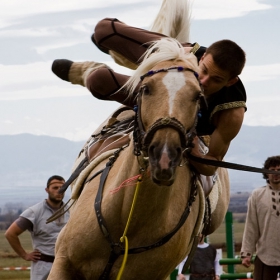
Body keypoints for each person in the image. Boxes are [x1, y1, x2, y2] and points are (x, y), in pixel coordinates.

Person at [52, 17, 246, 178]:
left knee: (98, 80)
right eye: (203, 70)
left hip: (154, 102)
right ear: (202, 58)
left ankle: (84, 71)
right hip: (165, 75)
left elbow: (211, 166)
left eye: (216, 80)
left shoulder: (231, 112)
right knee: (104, 30)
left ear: (230, 82)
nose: (203, 81)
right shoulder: (188, 55)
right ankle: (122, 55)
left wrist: (193, 151)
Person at [5, 175, 70, 280]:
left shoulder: (71, 210)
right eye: (55, 188)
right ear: (47, 190)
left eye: (62, 188)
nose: (59, 191)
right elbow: (10, 234)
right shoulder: (34, 212)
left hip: (66, 266)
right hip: (43, 266)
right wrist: (25, 255)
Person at [241, 155, 280, 280]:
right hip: (265, 254)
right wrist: (247, 253)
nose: (276, 173)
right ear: (266, 173)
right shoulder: (257, 195)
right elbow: (251, 225)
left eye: (279, 170)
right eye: (272, 170)